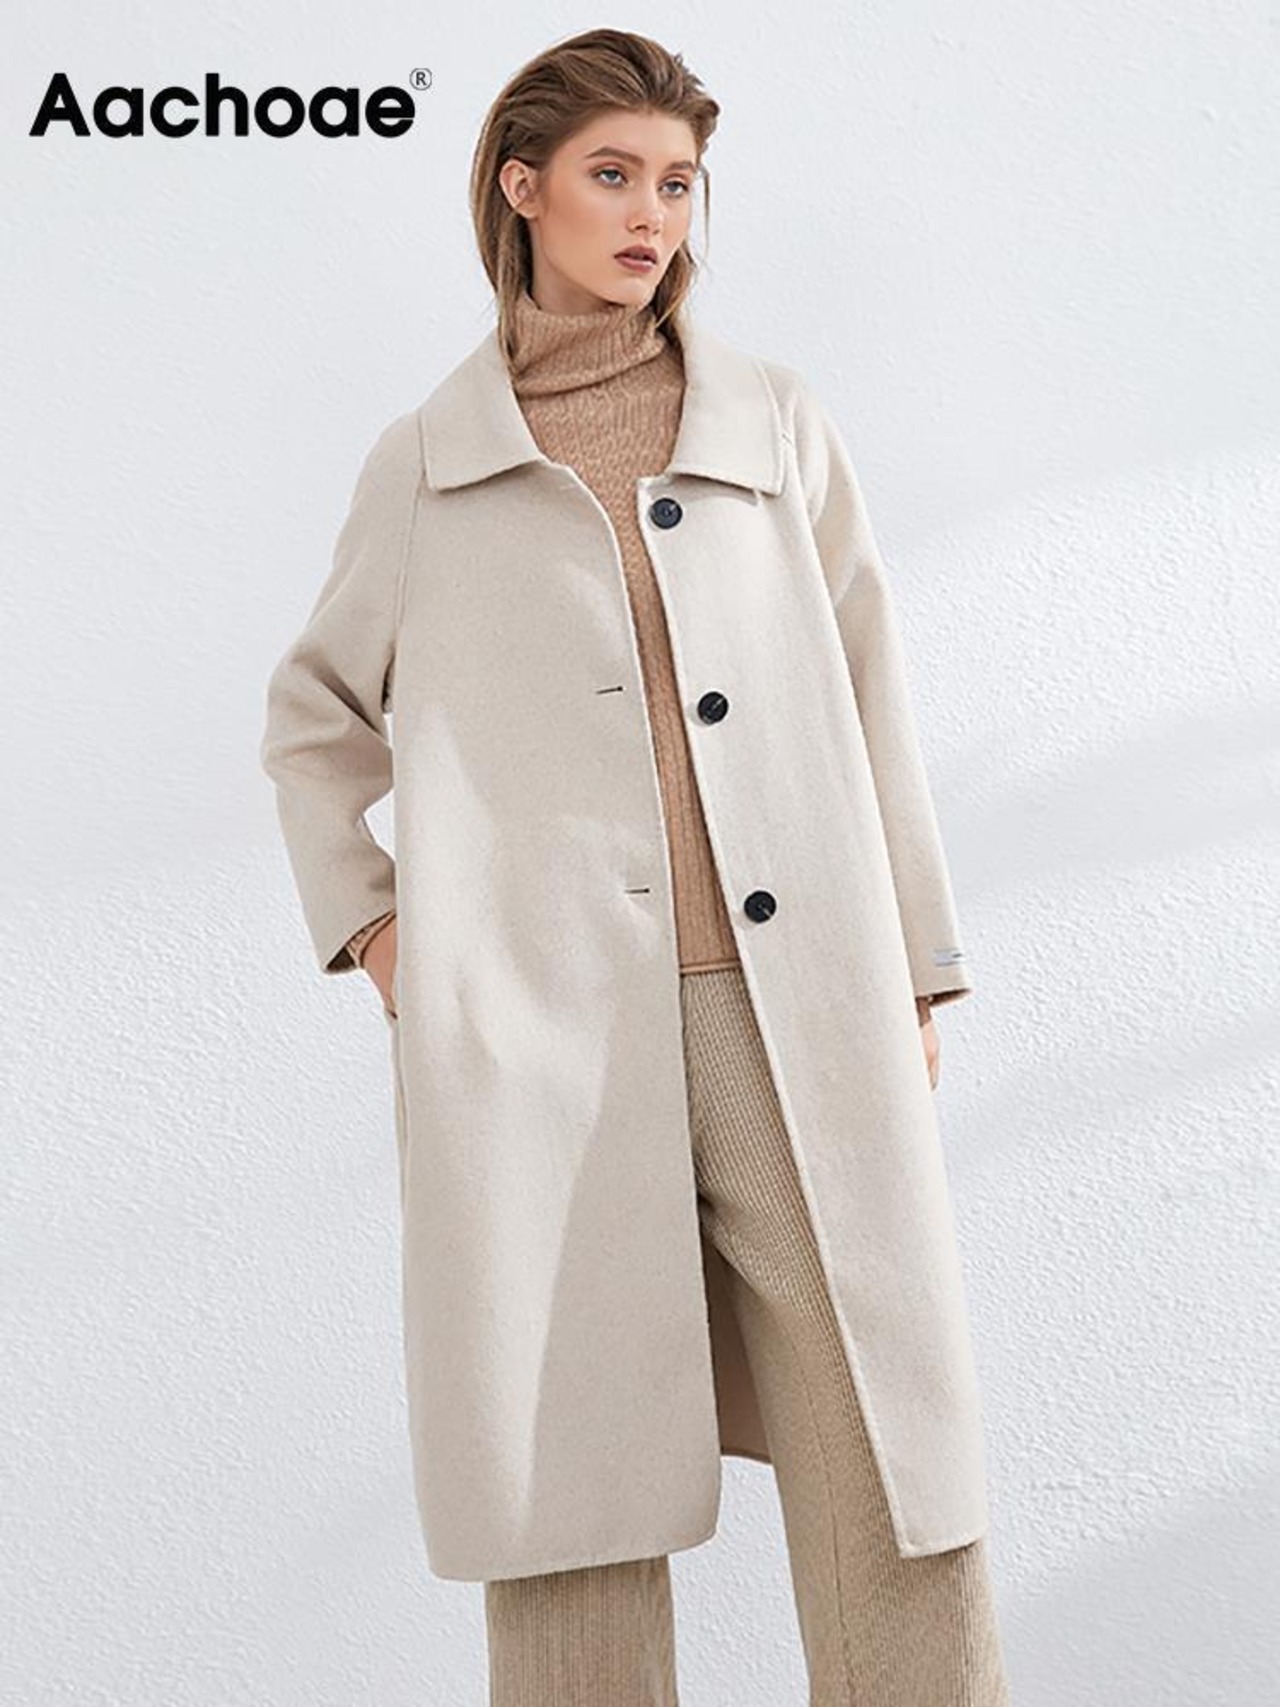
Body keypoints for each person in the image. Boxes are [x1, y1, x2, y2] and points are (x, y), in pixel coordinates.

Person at [261, 27, 1012, 1706]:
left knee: (891, 1445)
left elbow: (872, 691)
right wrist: (381, 935)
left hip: (785, 1007)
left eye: (677, 182)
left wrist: (914, 968)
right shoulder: (430, 461)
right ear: (521, 188)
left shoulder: (772, 423)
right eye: (614, 175)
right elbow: (313, 720)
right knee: (567, 1486)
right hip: (542, 1035)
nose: (653, 213)